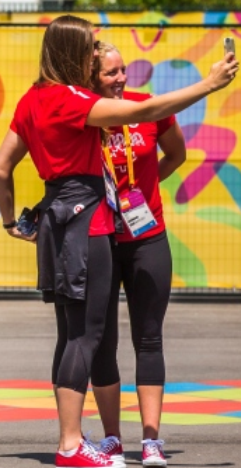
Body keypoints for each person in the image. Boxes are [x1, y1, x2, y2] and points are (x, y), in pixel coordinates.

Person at [0, 15, 237, 468]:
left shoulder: (32, 98)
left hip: (64, 218)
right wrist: (209, 85)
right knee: (86, 337)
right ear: (74, 54)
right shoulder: (71, 99)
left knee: (75, 336)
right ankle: (73, 444)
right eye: (91, 50)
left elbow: (0, 167)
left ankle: (83, 441)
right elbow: (142, 112)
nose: (100, 60)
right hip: (87, 221)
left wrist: (12, 222)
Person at [87, 41, 188, 467]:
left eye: (123, 70)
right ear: (91, 77)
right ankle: (112, 439)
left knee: (149, 337)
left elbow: (177, 154)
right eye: (110, 73)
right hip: (100, 240)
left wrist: (142, 191)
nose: (121, 78)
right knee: (101, 341)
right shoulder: (82, 114)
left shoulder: (147, 107)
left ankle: (151, 440)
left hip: (148, 236)